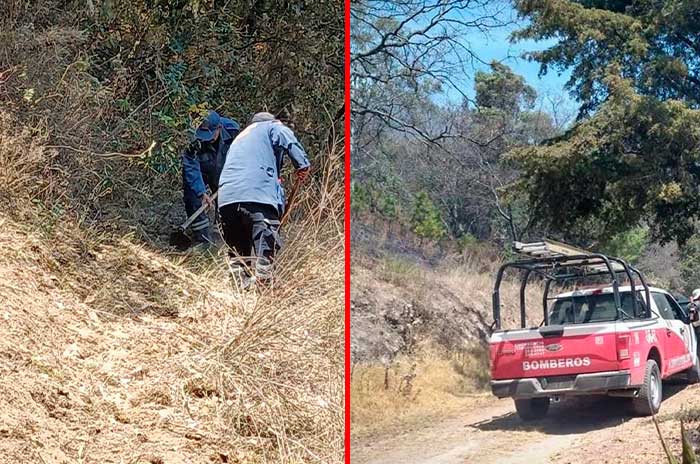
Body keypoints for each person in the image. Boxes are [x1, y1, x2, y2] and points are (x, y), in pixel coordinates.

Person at [217, 111, 310, 284]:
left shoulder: (240, 138)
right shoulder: (272, 127)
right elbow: (286, 137)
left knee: (238, 255)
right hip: (257, 196)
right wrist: (302, 164)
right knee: (265, 251)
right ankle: (264, 292)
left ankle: (239, 290)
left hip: (226, 200)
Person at [181, 110, 240, 246]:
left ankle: (221, 233)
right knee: (192, 195)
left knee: (226, 200)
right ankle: (202, 239)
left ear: (219, 128)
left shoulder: (233, 131)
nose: (206, 139)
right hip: (201, 169)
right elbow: (190, 165)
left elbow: (241, 152)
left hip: (223, 168)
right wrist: (201, 192)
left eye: (210, 135)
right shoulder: (193, 138)